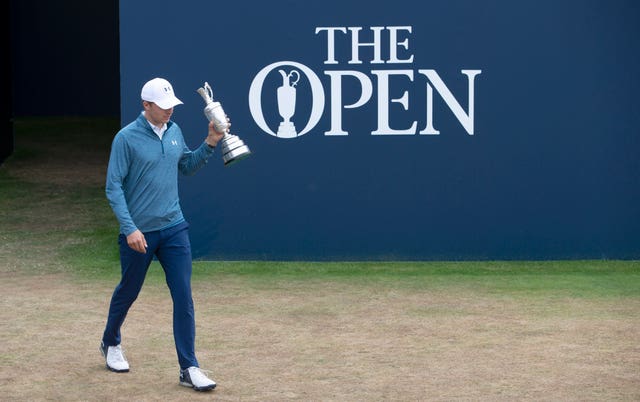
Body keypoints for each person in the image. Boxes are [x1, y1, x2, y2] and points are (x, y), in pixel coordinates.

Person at [100, 77, 224, 392]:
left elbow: (188, 167)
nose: (170, 111)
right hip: (139, 234)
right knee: (128, 291)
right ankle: (110, 342)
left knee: (183, 296)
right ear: (146, 106)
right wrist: (130, 228)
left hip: (174, 228)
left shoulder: (174, 131)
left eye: (172, 106)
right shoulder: (125, 139)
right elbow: (113, 187)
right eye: (163, 107)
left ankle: (189, 367)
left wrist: (209, 143)